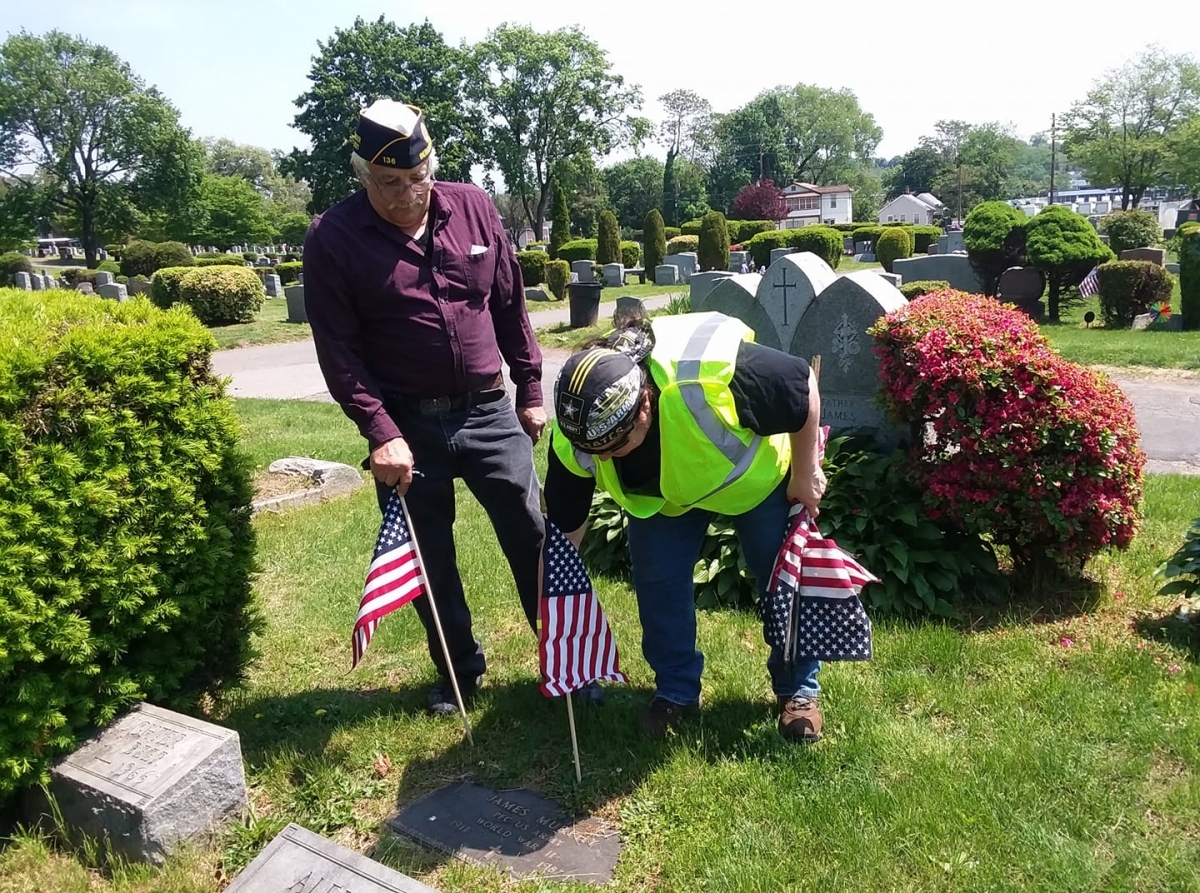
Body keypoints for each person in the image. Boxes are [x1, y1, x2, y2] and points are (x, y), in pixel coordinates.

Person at [303, 98, 548, 716]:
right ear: (362, 175)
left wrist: (531, 389)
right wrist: (380, 430)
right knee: (426, 554)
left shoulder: (472, 205)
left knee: (534, 534)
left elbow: (510, 305)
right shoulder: (332, 237)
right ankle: (459, 671)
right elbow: (339, 349)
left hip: (490, 409)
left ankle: (565, 662)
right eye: (390, 183)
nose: (408, 194)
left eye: (418, 178)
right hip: (406, 424)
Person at [543, 311, 828, 743]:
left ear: (644, 406)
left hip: (756, 484)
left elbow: (802, 384)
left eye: (616, 446)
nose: (602, 460)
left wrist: (805, 473)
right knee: (657, 584)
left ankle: (798, 688)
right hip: (665, 502)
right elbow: (567, 530)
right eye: (593, 451)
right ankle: (676, 691)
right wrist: (555, 598)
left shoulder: (712, 378)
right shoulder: (577, 430)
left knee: (781, 583)